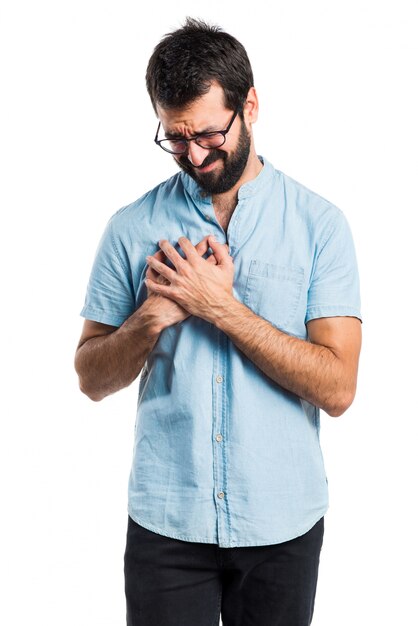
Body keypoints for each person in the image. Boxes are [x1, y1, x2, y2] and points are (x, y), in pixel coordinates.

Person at [74, 17, 362, 626]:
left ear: (250, 106)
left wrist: (217, 308)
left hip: (282, 522)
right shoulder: (130, 228)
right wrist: (149, 320)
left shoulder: (321, 226)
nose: (196, 156)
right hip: (167, 524)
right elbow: (91, 377)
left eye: (208, 134)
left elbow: (338, 389)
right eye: (176, 139)